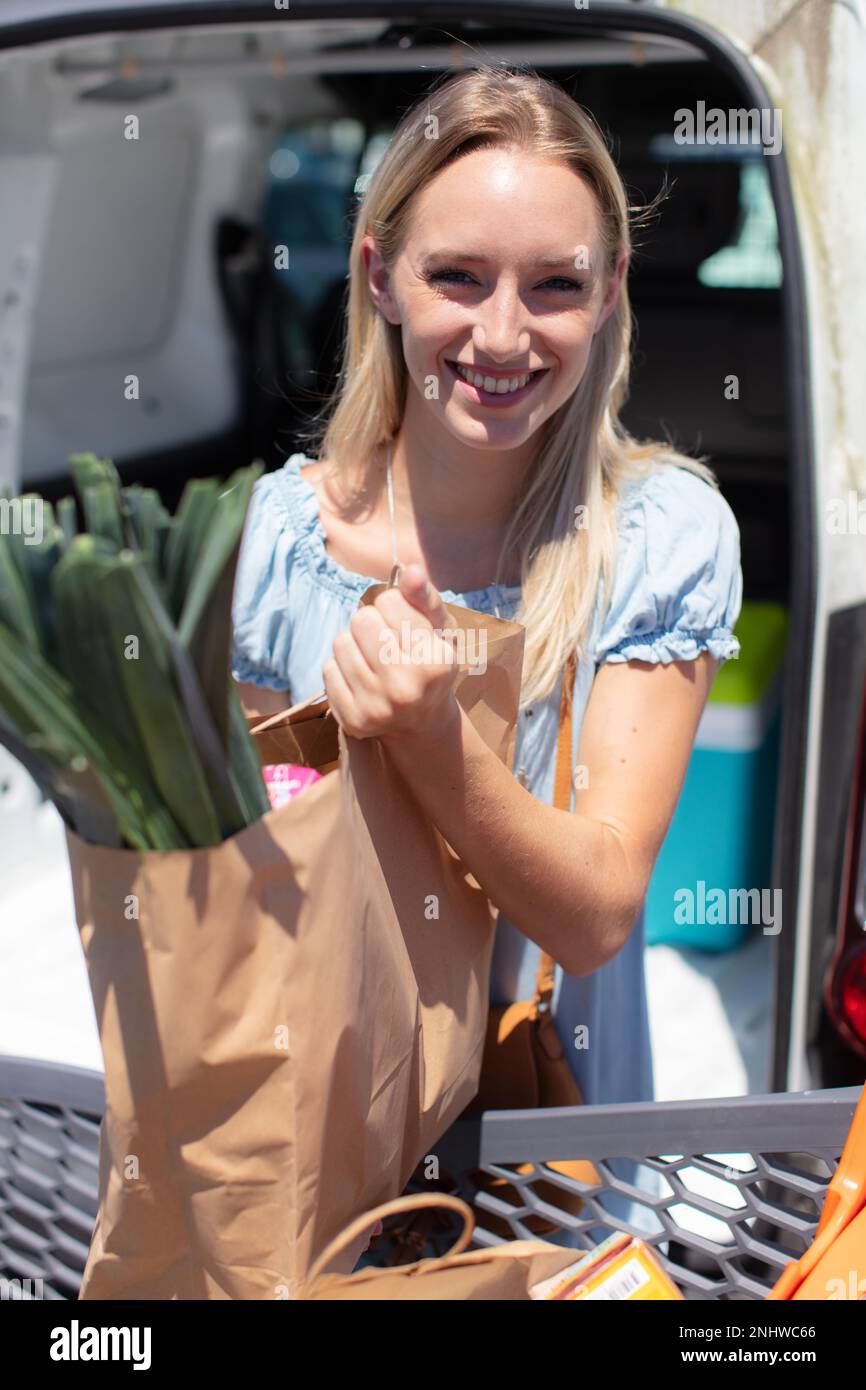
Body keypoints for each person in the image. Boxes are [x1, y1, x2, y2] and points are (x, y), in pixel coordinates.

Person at [231, 64, 742, 1244]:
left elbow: (596, 913)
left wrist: (426, 738)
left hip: (539, 1169)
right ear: (379, 277)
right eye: (456, 275)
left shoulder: (656, 538)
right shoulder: (272, 537)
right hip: (311, 1152)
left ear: (610, 290)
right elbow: (250, 875)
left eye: (554, 285)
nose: (502, 334)